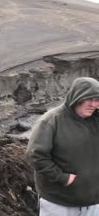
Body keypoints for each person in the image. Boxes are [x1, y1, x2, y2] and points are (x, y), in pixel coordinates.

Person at [27, 77, 99, 216]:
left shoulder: (95, 120)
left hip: (93, 202)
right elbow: (35, 155)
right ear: (76, 97)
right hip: (59, 203)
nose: (93, 104)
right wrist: (62, 178)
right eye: (88, 99)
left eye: (97, 100)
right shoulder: (51, 121)